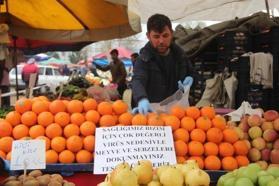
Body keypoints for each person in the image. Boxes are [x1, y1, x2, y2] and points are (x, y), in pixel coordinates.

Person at [132, 14, 194, 114]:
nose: (161, 41)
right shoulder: (143, 59)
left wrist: (191, 78)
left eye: (165, 36)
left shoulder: (180, 56)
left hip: (177, 113)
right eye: (156, 36)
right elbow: (138, 80)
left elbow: (192, 73)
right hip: (152, 114)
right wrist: (141, 98)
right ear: (148, 36)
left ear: (172, 34)